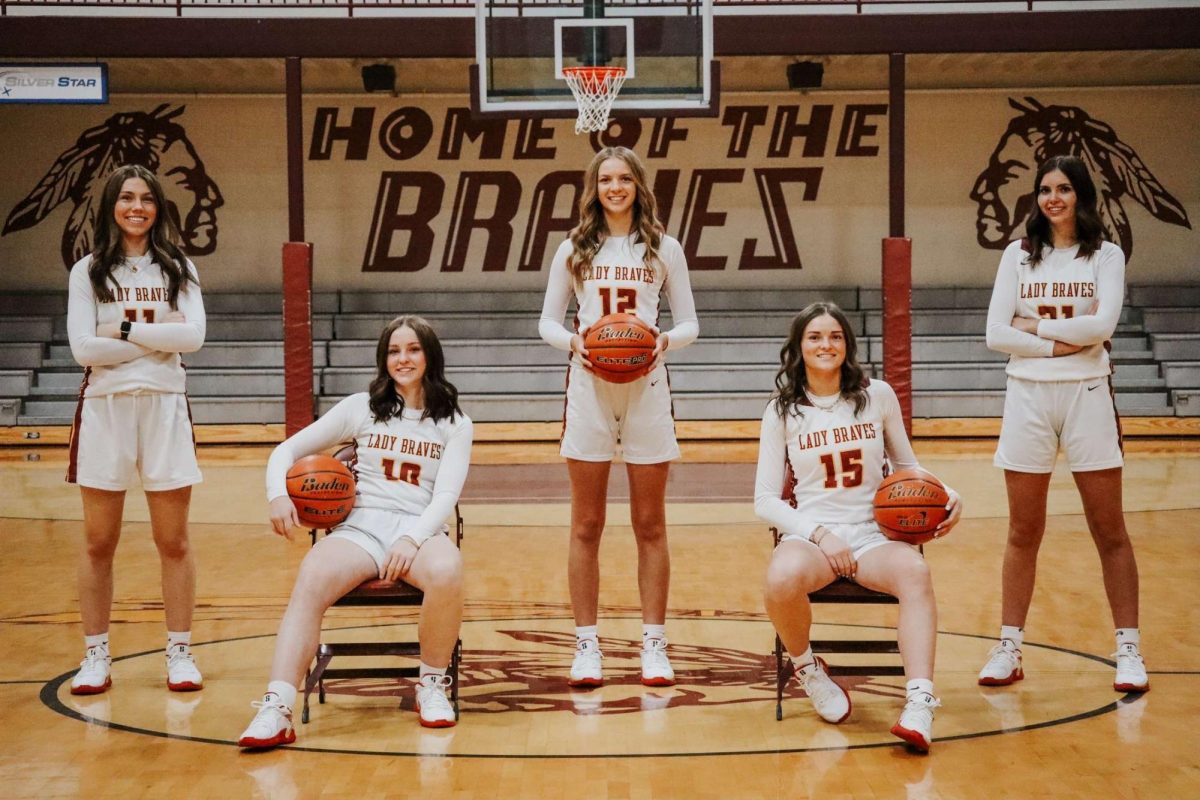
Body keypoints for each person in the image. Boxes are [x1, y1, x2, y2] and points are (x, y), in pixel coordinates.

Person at [238, 316, 472, 748]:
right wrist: (277, 495)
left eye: (413, 349)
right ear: (384, 360)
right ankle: (278, 706)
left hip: (418, 531)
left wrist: (413, 538)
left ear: (430, 355)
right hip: (361, 528)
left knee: (448, 571)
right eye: (394, 351)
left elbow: (446, 495)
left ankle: (432, 685)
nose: (403, 359)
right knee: (311, 577)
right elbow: (285, 451)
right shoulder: (360, 407)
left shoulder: (455, 422)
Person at [755, 302, 962, 752]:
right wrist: (819, 534)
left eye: (835, 336)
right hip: (814, 537)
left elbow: (908, 466)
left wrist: (948, 496)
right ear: (798, 348)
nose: (825, 345)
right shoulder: (781, 411)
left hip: (872, 536)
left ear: (847, 346)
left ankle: (919, 702)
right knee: (779, 579)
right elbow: (765, 500)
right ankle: (809, 670)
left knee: (915, 573)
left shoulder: (877, 396)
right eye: (814, 337)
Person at [980, 154, 1148, 693]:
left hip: (1088, 395)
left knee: (1110, 531)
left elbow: (1104, 326)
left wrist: (1033, 327)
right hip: (1027, 397)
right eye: (1045, 189)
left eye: (1064, 189)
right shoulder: (1018, 255)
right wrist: (1061, 343)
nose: (1053, 198)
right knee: (1022, 530)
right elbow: (994, 333)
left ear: (1081, 196)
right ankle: (1009, 646)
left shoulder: (1106, 255)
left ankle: (1128, 649)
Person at [538, 146, 699, 688]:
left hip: (647, 387)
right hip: (588, 387)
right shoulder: (573, 250)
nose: (615, 187)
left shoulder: (664, 248)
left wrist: (664, 341)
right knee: (586, 524)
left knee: (650, 523)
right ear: (594, 188)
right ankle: (587, 645)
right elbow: (546, 322)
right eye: (606, 179)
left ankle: (654, 643)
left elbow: (692, 324)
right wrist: (574, 343)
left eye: (624, 178)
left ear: (638, 185)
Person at [65, 164, 207, 696]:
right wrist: (157, 337)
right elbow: (84, 348)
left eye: (147, 199)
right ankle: (96, 656)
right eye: (126, 198)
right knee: (99, 541)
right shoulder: (87, 272)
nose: (137, 207)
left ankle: (179, 652)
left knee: (172, 540)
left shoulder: (178, 267)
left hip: (165, 405)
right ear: (110, 206)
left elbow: (193, 337)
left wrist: (122, 329)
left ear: (158, 207)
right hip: (105, 408)